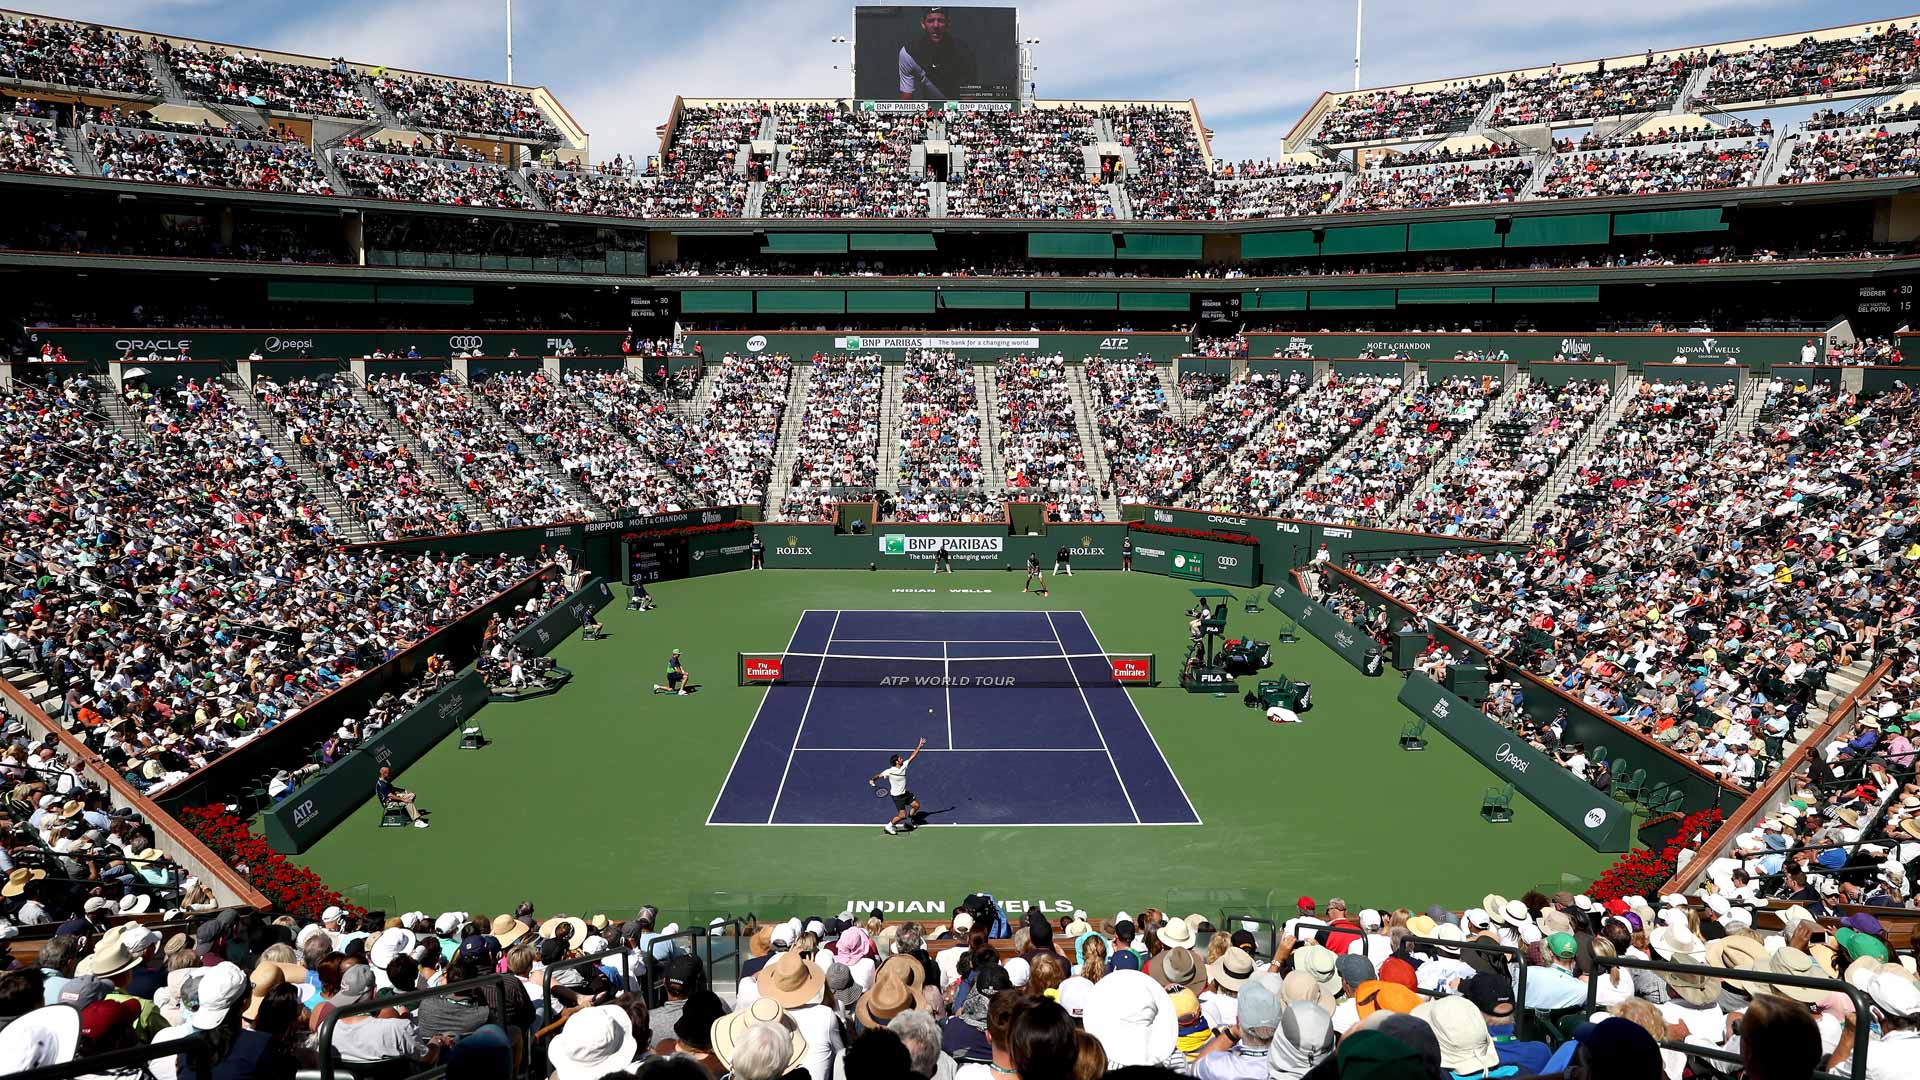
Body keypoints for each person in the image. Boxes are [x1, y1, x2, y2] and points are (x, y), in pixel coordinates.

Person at [897, 7, 977, 100]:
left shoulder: (963, 52)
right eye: (930, 21)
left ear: (948, 23)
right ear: (923, 24)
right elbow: (906, 98)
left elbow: (968, 99)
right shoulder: (908, 53)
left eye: (941, 20)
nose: (936, 25)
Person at [872, 738, 927, 835]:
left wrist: (920, 746)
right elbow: (878, 775)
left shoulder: (904, 765)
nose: (902, 759)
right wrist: (872, 780)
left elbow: (913, 756)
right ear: (897, 762)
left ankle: (910, 821)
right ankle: (888, 826)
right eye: (900, 758)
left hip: (905, 793)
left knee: (916, 805)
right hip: (898, 797)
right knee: (902, 815)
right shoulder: (889, 771)